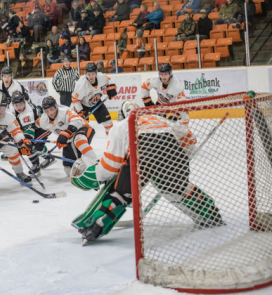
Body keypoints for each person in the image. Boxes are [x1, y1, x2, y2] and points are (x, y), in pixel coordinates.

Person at [70, 100, 221, 244]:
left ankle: (95, 227)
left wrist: (96, 175)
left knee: (121, 193)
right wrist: (178, 160)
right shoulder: (159, 119)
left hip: (142, 154)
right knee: (177, 188)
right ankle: (211, 214)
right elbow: (190, 138)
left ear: (122, 115)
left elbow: (110, 166)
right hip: (173, 151)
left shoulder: (122, 124)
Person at [36, 96, 97, 176]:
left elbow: (76, 120)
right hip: (68, 140)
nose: (50, 113)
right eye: (47, 111)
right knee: (69, 171)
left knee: (79, 140)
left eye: (51, 109)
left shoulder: (65, 111)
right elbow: (33, 125)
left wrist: (66, 133)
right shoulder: (43, 120)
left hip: (83, 129)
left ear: (56, 107)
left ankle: (96, 165)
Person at [9, 91, 51, 174]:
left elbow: (29, 130)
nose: (18, 107)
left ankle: (39, 163)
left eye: (20, 104)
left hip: (43, 127)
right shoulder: (11, 109)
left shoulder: (28, 112)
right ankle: (47, 158)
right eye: (16, 105)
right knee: (28, 145)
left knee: (29, 145)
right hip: (31, 127)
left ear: (24, 102)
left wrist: (25, 140)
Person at [72, 62, 118, 136]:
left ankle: (111, 142)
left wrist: (111, 88)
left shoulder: (102, 77)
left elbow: (109, 80)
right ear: (85, 74)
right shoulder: (81, 84)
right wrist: (80, 111)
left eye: (93, 74)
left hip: (97, 103)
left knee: (108, 123)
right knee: (81, 128)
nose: (91, 77)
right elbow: (75, 100)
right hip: (83, 106)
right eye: (89, 74)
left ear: (96, 73)